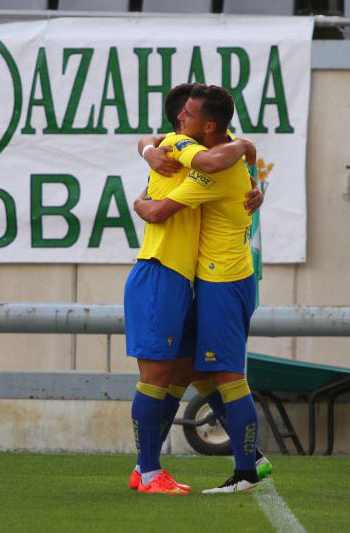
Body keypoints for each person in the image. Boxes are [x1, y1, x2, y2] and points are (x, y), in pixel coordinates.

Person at [124, 84, 261, 495]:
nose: (182, 118)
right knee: (168, 373)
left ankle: (246, 464)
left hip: (209, 278)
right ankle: (148, 470)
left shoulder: (202, 164)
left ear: (208, 124)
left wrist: (245, 153)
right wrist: (144, 186)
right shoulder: (177, 153)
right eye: (181, 112)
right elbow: (156, 192)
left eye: (189, 113)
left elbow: (163, 196)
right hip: (163, 272)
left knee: (200, 370)